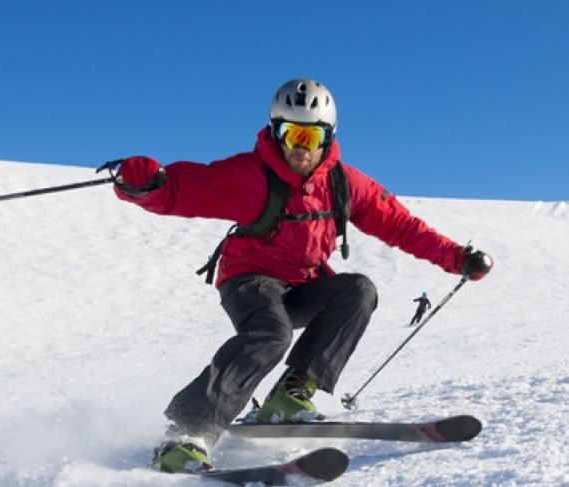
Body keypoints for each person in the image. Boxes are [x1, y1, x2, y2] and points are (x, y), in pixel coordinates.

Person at [111, 79, 494, 473]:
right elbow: (181, 190)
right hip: (249, 280)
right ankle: (187, 433)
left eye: (310, 135)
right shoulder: (251, 176)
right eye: (291, 134)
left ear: (327, 136)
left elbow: (401, 226)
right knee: (271, 334)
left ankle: (290, 395)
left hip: (303, 285)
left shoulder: (344, 183)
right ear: (276, 132)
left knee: (358, 290)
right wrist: (144, 186)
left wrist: (457, 258)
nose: (300, 147)